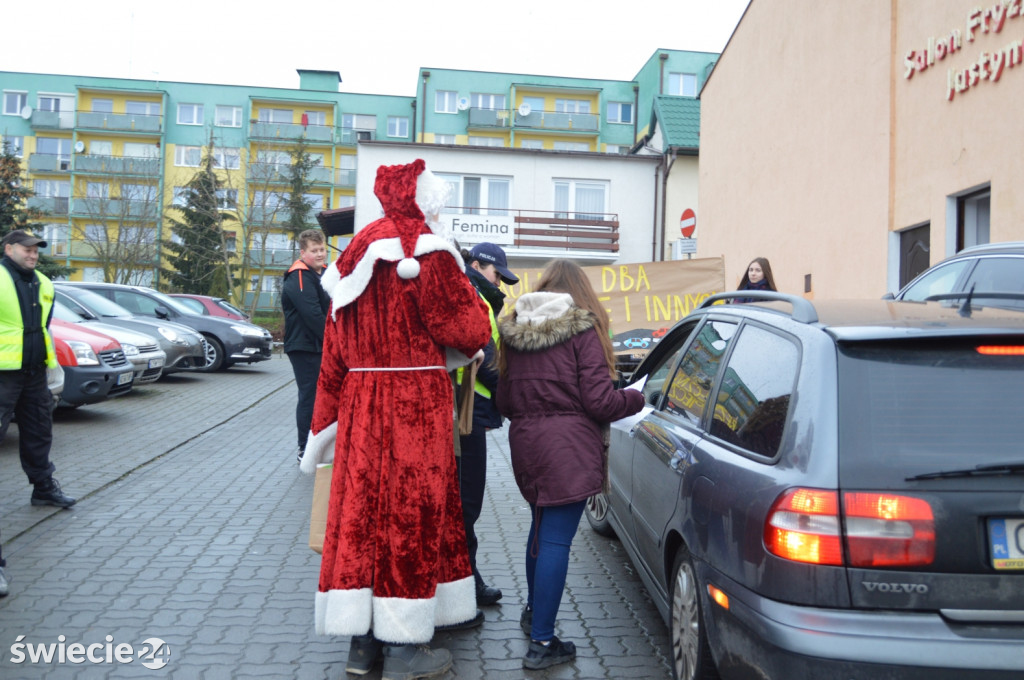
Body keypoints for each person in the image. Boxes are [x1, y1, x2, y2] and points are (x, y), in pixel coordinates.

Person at [298, 160, 492, 680]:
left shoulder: (354, 254)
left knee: (362, 514)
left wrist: (322, 425)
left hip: (363, 402)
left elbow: (333, 355)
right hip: (415, 405)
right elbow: (468, 328)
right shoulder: (427, 250)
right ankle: (405, 643)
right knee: (411, 514)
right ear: (421, 200)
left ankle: (362, 649)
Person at [496, 259, 644, 670]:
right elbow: (600, 402)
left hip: (526, 444)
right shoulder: (583, 329)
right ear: (580, 292)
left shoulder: (513, 331)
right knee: (557, 540)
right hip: (569, 447)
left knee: (541, 529)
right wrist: (637, 397)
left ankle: (533, 613)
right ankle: (542, 642)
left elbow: (504, 401)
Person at [0, 229, 78, 598]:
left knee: (39, 432)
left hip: (33, 372)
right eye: (27, 249)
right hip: (2, 374)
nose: (33, 254)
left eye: (36, 249)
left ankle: (43, 488)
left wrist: (50, 365)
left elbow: (43, 327)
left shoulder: (43, 283)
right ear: (9, 249)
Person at [457, 242, 519, 607]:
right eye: (499, 275)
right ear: (478, 266)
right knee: (466, 503)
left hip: (472, 408)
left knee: (466, 502)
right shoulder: (472, 297)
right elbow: (489, 362)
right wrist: (517, 402)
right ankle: (465, 582)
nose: (502, 284)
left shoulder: (480, 296)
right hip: (469, 411)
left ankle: (465, 577)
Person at [282, 228, 330, 464]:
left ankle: (321, 445)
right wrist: (334, 342)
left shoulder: (324, 273)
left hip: (319, 345)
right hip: (304, 347)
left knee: (322, 396)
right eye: (314, 251)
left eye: (322, 249)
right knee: (309, 397)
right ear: (303, 252)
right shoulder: (299, 276)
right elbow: (313, 315)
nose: (320, 254)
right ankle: (304, 447)